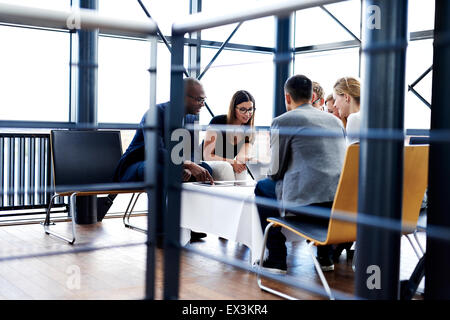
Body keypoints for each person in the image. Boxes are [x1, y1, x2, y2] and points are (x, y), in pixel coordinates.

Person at [254, 74, 347, 273]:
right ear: (313, 95)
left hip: (308, 206)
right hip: (338, 204)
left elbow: (275, 171)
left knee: (262, 187)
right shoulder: (336, 121)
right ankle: (325, 256)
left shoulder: (283, 121)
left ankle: (277, 258)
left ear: (287, 97)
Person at [112, 77, 214, 241]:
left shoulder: (189, 118)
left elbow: (191, 151)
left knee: (205, 170)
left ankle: (188, 226)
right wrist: (184, 164)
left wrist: (187, 167)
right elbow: (155, 151)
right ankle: (159, 233)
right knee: (158, 171)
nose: (203, 104)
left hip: (168, 164)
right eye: (199, 99)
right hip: (136, 166)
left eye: (204, 99)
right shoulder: (155, 113)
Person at [203, 90, 255, 180]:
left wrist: (253, 159)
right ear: (233, 108)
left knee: (241, 168)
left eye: (250, 109)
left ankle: (239, 194)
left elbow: (241, 157)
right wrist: (232, 162)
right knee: (226, 167)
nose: (247, 114)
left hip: (228, 164)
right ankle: (231, 193)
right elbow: (207, 155)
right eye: (242, 109)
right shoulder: (218, 122)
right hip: (209, 163)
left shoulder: (249, 130)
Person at [333, 77, 361, 145]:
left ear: (346, 97)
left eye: (335, 99)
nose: (334, 105)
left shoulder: (354, 118)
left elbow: (352, 155)